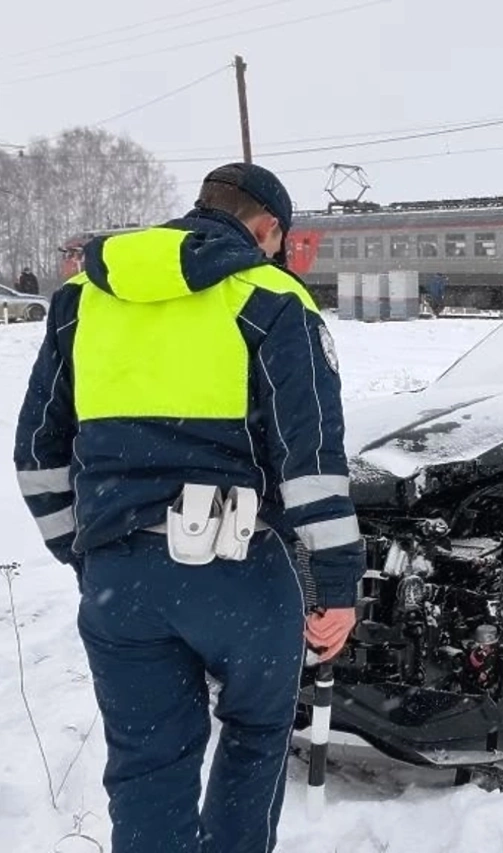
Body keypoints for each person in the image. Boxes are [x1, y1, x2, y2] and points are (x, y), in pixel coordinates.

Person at [13, 163, 365, 853]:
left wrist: (84, 553)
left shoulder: (84, 299)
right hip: (240, 573)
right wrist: (338, 585)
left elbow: (36, 452)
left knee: (147, 768)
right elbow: (311, 461)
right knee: (257, 733)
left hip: (123, 580)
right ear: (267, 229)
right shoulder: (270, 299)